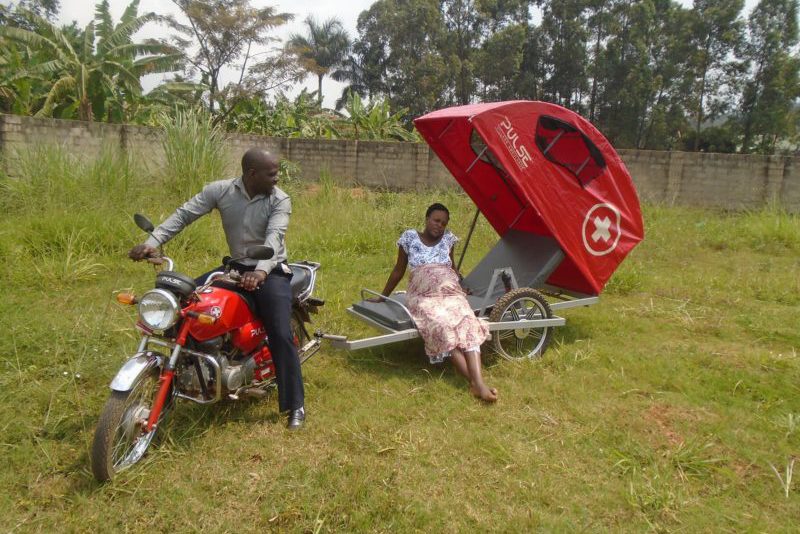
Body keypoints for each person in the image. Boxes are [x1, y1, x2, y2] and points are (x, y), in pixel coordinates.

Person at [128, 148, 306, 430]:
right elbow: (184, 214)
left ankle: (295, 404)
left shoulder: (279, 199)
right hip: (235, 268)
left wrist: (260, 271)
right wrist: (153, 241)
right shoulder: (221, 191)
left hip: (269, 270)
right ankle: (175, 382)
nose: (277, 178)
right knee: (181, 308)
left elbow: (275, 238)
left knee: (281, 333)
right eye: (272, 173)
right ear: (251, 174)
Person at [371, 203, 497, 402]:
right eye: (436, 220)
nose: (439, 225)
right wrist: (382, 296)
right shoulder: (410, 238)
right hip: (424, 295)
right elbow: (398, 270)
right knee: (441, 326)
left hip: (451, 292)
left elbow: (452, 268)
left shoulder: (448, 240)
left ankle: (477, 383)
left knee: (467, 321)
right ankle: (477, 383)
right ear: (427, 219)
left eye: (443, 223)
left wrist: (461, 286)